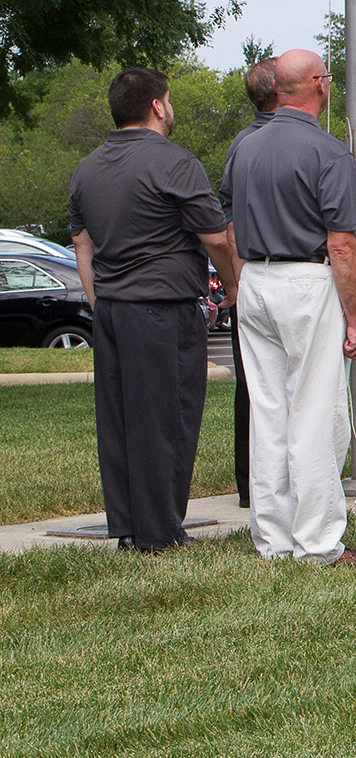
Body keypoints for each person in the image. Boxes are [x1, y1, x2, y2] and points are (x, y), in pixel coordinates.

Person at [68, 68, 241, 552]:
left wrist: (99, 300)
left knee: (120, 420)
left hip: (112, 311)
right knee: (167, 419)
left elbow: (82, 244)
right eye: (170, 99)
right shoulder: (176, 163)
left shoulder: (87, 168)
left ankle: (127, 527)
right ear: (158, 106)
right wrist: (232, 285)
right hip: (162, 309)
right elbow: (213, 236)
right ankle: (161, 533)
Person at [222, 48, 356, 568]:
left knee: (268, 415)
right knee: (312, 413)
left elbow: (232, 223)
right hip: (306, 282)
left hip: (255, 279)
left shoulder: (244, 147)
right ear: (316, 84)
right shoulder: (325, 151)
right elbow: (342, 245)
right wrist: (355, 319)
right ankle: (318, 543)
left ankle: (274, 541)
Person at [218, 57, 278, 508]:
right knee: (271, 386)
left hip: (249, 281)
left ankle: (253, 484)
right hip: (267, 278)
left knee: (252, 383)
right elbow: (230, 220)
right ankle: (261, 484)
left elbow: (226, 214)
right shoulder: (264, 143)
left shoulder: (242, 143)